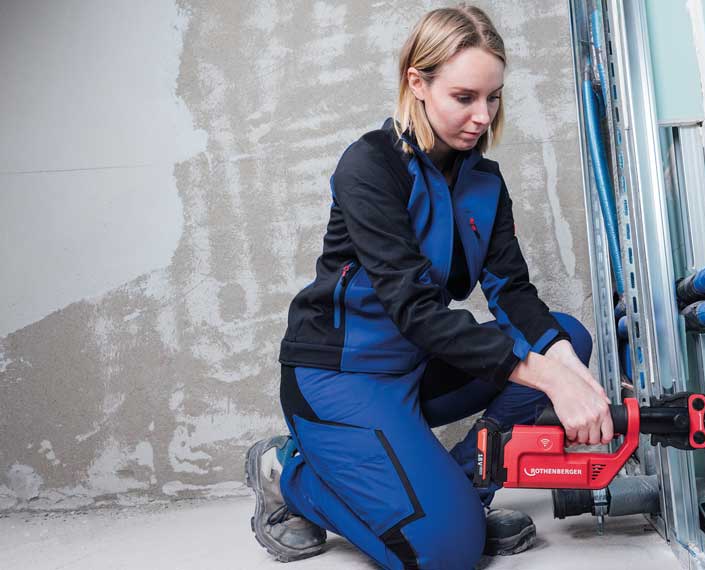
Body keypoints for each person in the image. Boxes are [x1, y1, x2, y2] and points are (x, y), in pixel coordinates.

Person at [243, 5, 614, 569]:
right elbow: (414, 309)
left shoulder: (484, 181)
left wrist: (568, 371)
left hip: (418, 370)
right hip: (340, 378)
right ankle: (289, 473)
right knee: (445, 557)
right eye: (464, 97)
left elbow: (512, 291)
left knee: (567, 338)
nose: (483, 117)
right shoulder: (369, 167)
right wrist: (549, 381)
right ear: (417, 82)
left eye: (493, 98)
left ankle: (464, 493)